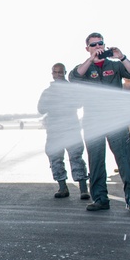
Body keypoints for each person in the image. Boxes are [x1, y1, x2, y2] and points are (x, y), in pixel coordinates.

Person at [69, 32, 130, 213]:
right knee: (96, 161)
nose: (97, 47)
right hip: (93, 121)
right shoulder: (84, 68)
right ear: (87, 48)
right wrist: (91, 60)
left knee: (125, 160)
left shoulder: (115, 66)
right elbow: (73, 77)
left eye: (100, 43)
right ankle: (100, 199)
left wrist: (121, 56)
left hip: (115, 120)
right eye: (93, 45)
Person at [37, 63, 89, 200]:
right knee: (55, 158)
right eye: (56, 72)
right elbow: (41, 108)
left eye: (61, 72)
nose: (58, 75)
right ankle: (62, 187)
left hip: (71, 128)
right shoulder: (47, 92)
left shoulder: (72, 89)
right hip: (54, 130)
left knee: (76, 157)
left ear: (65, 73)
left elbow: (79, 104)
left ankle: (84, 189)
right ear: (52, 73)